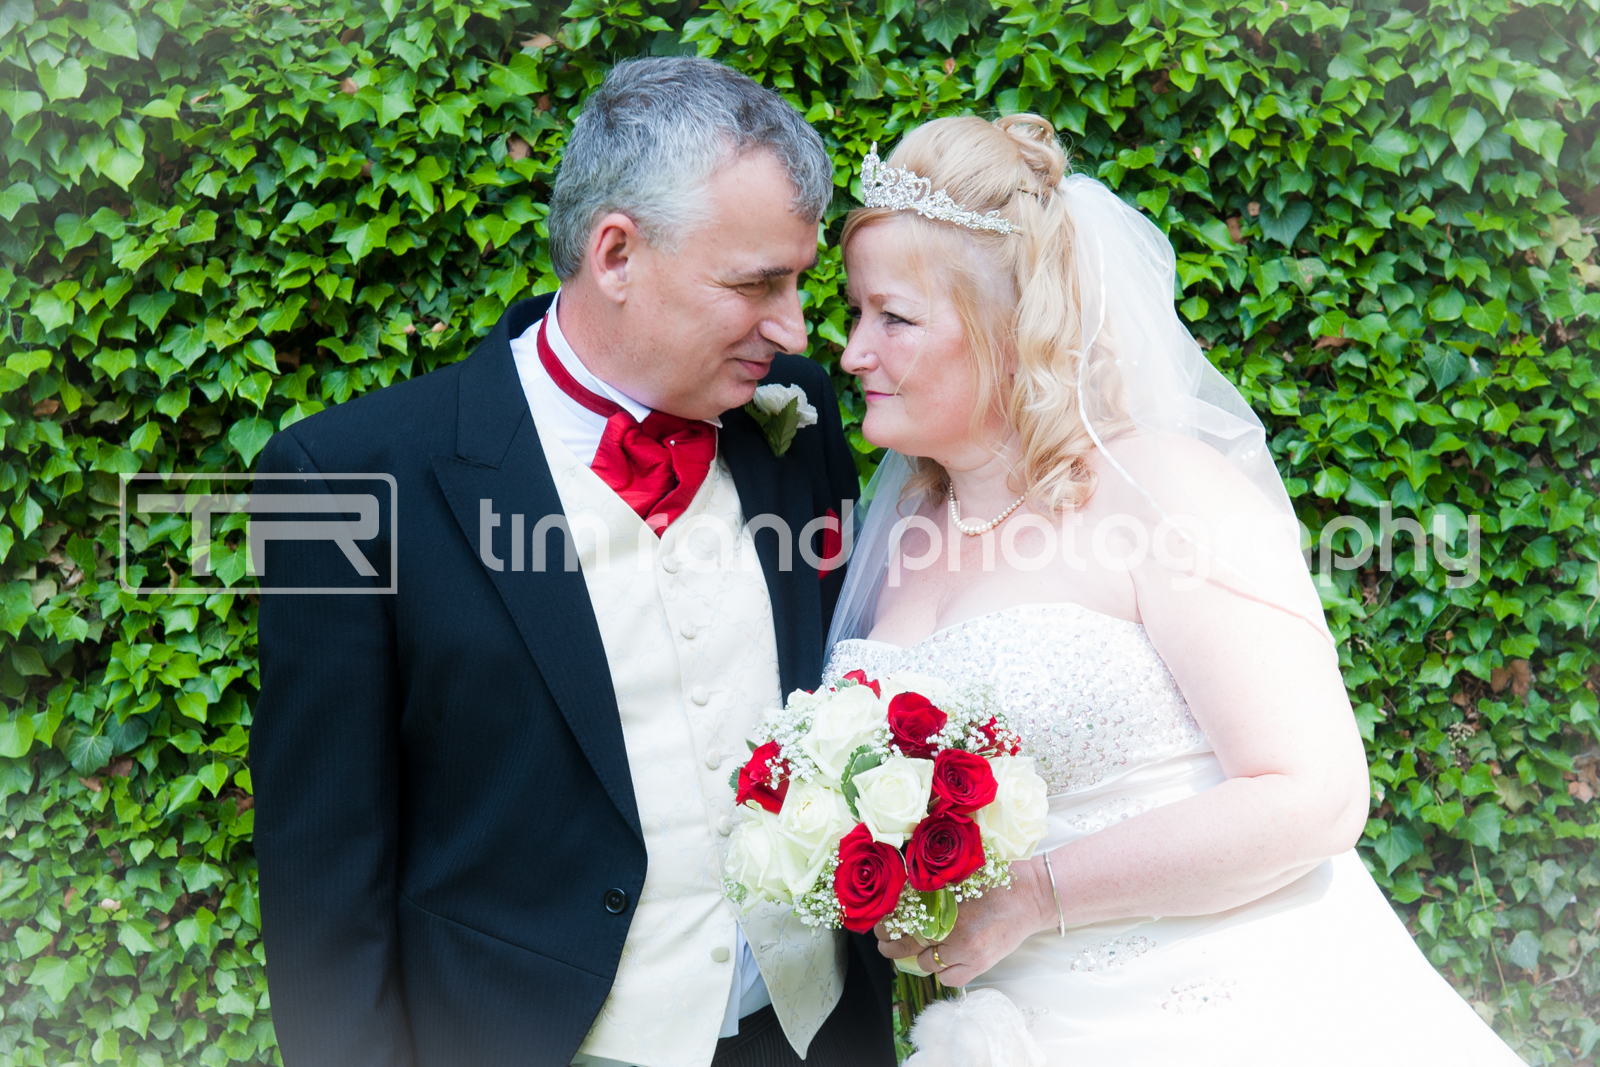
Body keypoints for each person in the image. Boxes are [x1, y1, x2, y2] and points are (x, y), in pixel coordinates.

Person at [821, 113, 1525, 1065]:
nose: (854, 351)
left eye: (894, 318)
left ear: (1006, 327)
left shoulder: (1160, 489)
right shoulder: (905, 526)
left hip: (1233, 1016)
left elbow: (1313, 794)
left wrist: (1035, 894)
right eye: (858, 312)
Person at [249, 58, 894, 1067]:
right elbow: (322, 875)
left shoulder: (797, 421)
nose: (794, 328)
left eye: (800, 281)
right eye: (756, 283)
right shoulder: (341, 478)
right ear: (617, 254)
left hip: (812, 1035)